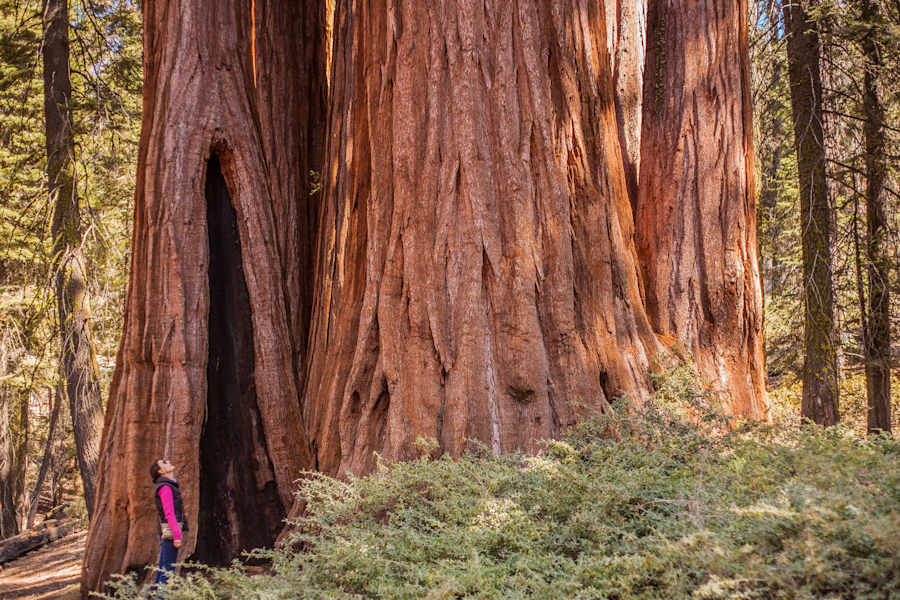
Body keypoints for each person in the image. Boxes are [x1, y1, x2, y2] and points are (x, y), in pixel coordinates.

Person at [149, 458, 188, 587]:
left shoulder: (169, 485)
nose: (168, 461)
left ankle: (156, 595)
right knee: (167, 573)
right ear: (161, 471)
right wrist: (177, 536)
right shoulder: (165, 487)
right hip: (170, 533)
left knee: (163, 569)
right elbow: (169, 513)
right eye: (164, 462)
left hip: (170, 532)